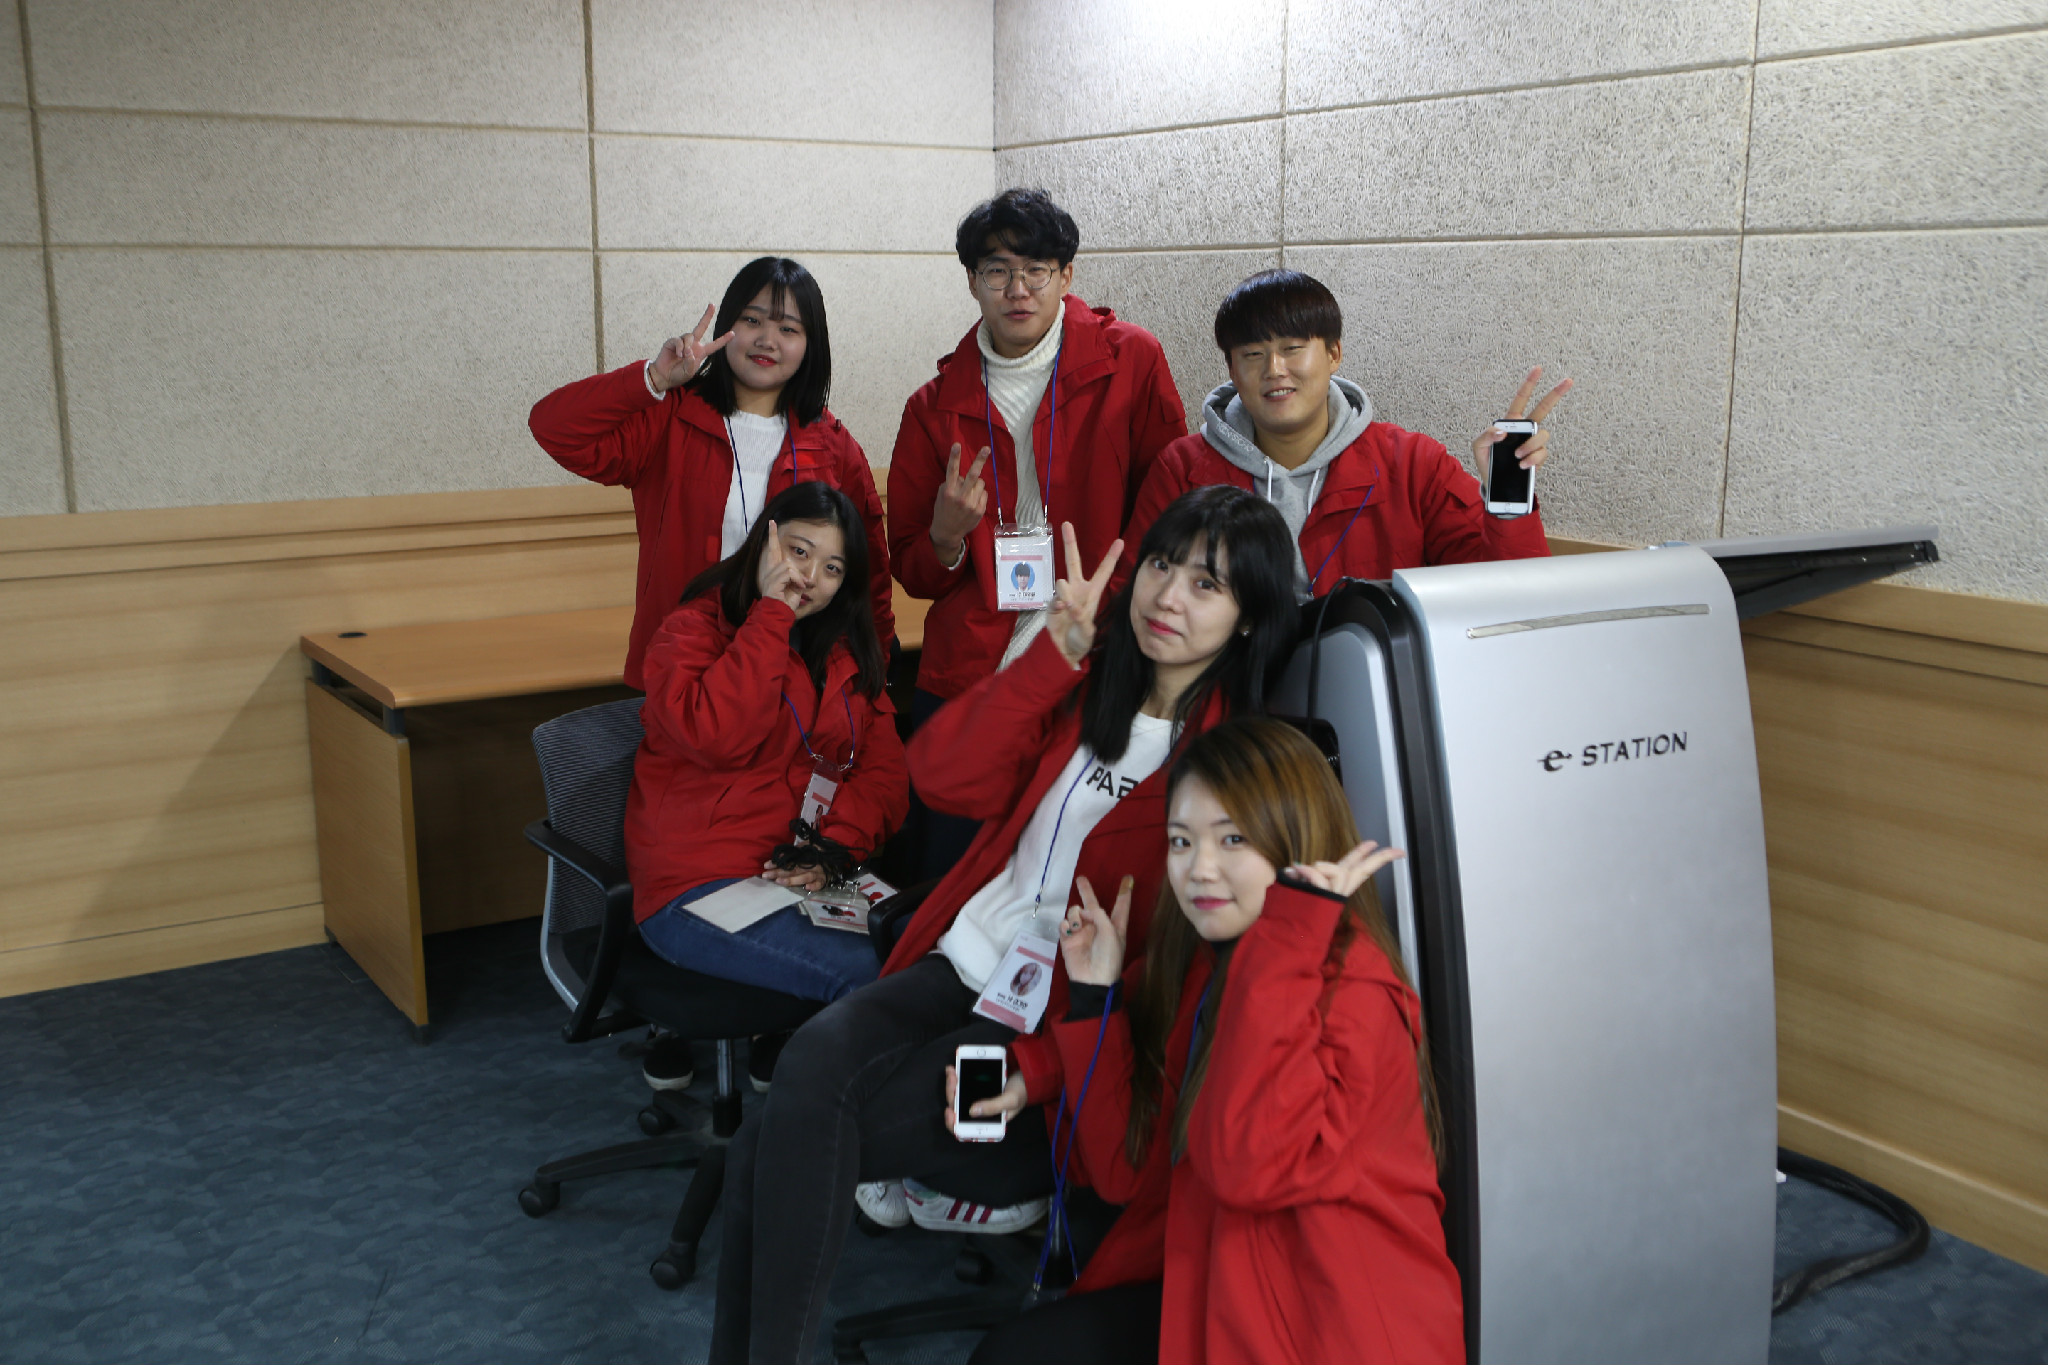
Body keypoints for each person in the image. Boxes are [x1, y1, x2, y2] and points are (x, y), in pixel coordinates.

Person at [710, 487, 1299, 1365]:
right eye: (1161, 565)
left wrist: (1044, 1064)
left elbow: (1185, 972)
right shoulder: (1089, 687)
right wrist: (1049, 660)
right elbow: (941, 774)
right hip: (964, 963)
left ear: (1249, 616)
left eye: (1206, 584)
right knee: (795, 1087)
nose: (1168, 595)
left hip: (1043, 1038)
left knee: (777, 1141)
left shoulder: (1235, 765)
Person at [963, 717, 1460, 1365]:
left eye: (1233, 838)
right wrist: (1092, 997)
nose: (1199, 868)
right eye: (1181, 840)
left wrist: (1289, 939)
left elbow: (1248, 1168)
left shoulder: (1352, 994)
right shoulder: (1213, 965)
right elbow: (1125, 1172)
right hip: (1221, 1283)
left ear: (1294, 840)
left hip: (1324, 1332)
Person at [889, 188, 1189, 878]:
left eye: (1036, 270)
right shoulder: (933, 407)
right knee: (956, 872)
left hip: (1098, 651)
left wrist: (1109, 607)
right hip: (972, 665)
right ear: (972, 281)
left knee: (1074, 868)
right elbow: (912, 569)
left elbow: (1171, 507)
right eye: (997, 271)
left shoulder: (1129, 360)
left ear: (1067, 275)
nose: (1017, 289)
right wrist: (945, 537)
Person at [529, 255, 893, 693]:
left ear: (811, 344)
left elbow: (868, 568)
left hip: (789, 670)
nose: (767, 340)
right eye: (752, 320)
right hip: (680, 667)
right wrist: (653, 379)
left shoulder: (832, 444)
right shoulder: (670, 418)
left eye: (788, 329)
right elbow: (554, 428)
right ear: (727, 326)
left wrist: (874, 670)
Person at [1122, 267, 1572, 599]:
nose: (1274, 370)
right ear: (1232, 369)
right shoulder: (1182, 471)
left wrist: (1507, 497)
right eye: (1253, 354)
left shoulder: (1413, 466)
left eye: (1293, 348)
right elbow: (1139, 597)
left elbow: (1505, 597)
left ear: (1334, 353)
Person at [626, 482, 908, 1009]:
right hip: (698, 883)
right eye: (799, 551)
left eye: (832, 568)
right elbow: (718, 738)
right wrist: (771, 617)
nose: (809, 576)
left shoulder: (844, 651)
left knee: (937, 952)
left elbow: (883, 775)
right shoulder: (689, 632)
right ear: (764, 542)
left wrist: (832, 850)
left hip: (804, 873)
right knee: (876, 983)